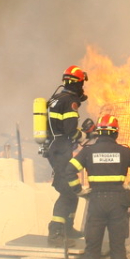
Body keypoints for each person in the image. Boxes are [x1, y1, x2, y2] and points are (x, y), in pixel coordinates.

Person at [62, 114, 130, 259]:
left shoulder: (88, 151)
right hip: (118, 202)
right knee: (117, 244)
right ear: (115, 132)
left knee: (93, 244)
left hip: (96, 201)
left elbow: (70, 170)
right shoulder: (124, 151)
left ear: (99, 132)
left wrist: (79, 190)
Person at [43, 65, 90, 245]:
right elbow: (70, 130)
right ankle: (56, 233)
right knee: (67, 191)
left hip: (55, 148)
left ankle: (68, 229)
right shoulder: (70, 101)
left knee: (71, 190)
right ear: (78, 83)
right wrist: (85, 136)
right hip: (60, 150)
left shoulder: (56, 98)